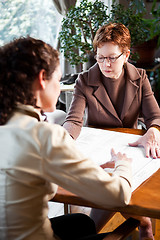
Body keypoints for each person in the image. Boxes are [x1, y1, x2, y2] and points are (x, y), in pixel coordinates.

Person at [0, 37, 132, 240]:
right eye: (58, 79)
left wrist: (89, 169)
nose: (60, 87)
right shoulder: (43, 135)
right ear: (42, 78)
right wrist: (123, 166)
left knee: (82, 222)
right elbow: (119, 195)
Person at [63, 22, 160, 239]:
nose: (105, 64)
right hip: (100, 150)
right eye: (100, 57)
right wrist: (65, 139)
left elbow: (155, 116)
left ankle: (142, 223)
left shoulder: (140, 77)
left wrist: (153, 130)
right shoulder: (85, 79)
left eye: (111, 57)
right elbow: (74, 120)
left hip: (129, 150)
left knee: (119, 190)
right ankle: (143, 223)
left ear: (126, 55)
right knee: (105, 199)